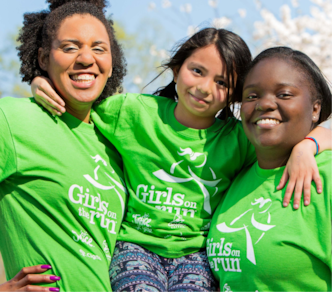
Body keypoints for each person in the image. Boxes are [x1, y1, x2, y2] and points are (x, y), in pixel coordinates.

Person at [31, 29, 332, 292]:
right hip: (137, 246)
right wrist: (42, 84)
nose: (204, 88)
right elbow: (77, 98)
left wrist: (308, 145)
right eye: (197, 71)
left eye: (222, 83)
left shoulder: (238, 138)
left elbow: (300, 131)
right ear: (177, 69)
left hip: (196, 256)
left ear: (233, 96)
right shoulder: (132, 112)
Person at [0, 0, 127, 292]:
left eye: (99, 48)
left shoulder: (117, 141)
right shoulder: (14, 120)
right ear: (43, 58)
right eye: (70, 47)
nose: (86, 59)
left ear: (112, 63)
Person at [207, 47, 332, 291]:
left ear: (315, 109)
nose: (264, 104)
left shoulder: (326, 178)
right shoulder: (235, 180)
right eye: (251, 96)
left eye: (284, 94)